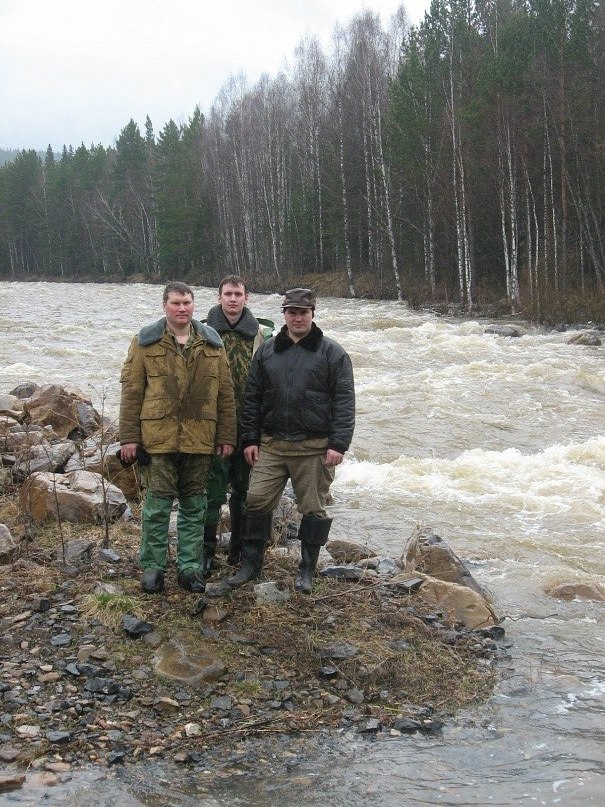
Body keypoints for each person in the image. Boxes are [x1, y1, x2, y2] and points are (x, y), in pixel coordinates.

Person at [227, 288, 355, 594]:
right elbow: (252, 399)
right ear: (284, 314)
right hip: (271, 446)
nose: (297, 318)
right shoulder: (267, 351)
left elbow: (344, 402)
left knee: (313, 509)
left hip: (314, 448)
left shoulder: (332, 353)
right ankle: (251, 566)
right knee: (256, 501)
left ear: (312, 314)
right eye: (292, 312)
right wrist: (250, 439)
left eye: (303, 312)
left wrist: (338, 444)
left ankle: (306, 570)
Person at [119, 281, 236, 595]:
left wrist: (227, 436)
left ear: (194, 305)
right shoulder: (144, 342)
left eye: (187, 303)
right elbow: (131, 393)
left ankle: (189, 568)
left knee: (194, 506)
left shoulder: (212, 343)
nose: (182, 308)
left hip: (200, 438)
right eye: (175, 303)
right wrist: (129, 438)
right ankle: (153, 567)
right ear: (164, 306)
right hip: (158, 438)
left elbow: (225, 396)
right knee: (157, 506)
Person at [202, 275, 273, 575]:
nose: (233, 299)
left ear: (247, 298)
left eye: (238, 294)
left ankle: (239, 551)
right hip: (213, 427)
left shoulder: (263, 335)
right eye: (228, 294)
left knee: (245, 493)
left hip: (249, 426)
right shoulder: (201, 331)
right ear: (219, 297)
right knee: (211, 491)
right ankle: (206, 552)